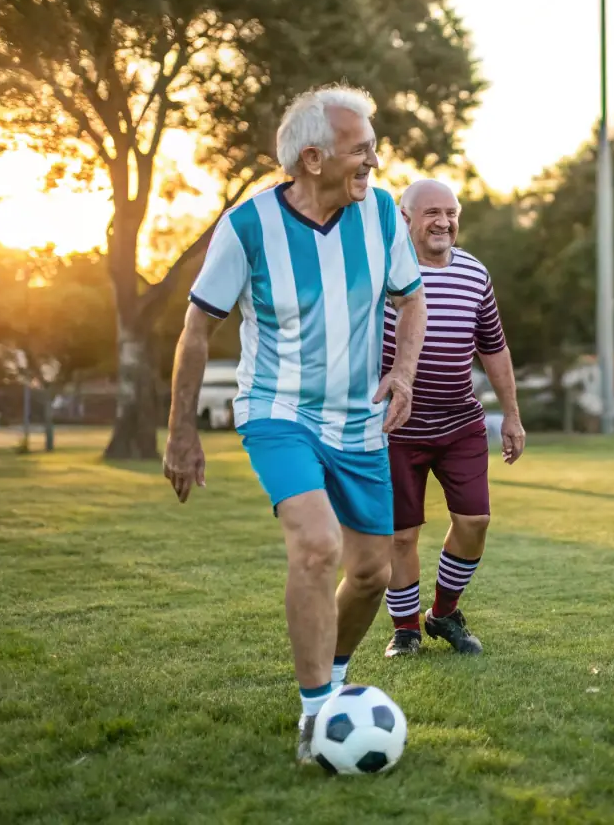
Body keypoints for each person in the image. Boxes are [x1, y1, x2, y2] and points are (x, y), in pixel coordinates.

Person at [163, 85, 427, 765]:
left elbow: (412, 297)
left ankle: (333, 686)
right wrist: (182, 431)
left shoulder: (381, 215)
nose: (373, 159)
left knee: (372, 571)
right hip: (277, 411)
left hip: (359, 420)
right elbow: (196, 331)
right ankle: (316, 719)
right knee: (316, 546)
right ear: (312, 158)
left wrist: (399, 375)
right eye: (360, 148)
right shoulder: (246, 227)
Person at [381, 179, 526, 657]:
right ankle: (405, 632)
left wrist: (512, 416)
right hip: (394, 428)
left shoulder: (474, 272)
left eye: (451, 212)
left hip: (459, 420)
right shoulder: (381, 271)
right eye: (431, 213)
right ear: (406, 219)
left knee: (475, 521)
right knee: (401, 534)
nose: (444, 222)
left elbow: (494, 349)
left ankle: (442, 614)